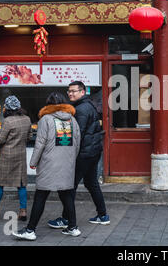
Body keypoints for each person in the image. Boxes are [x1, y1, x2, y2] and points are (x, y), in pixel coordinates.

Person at [12, 92, 81, 241]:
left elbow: (40, 143)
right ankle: (73, 227)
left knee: (41, 196)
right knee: (67, 195)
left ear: (48, 104)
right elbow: (77, 143)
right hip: (67, 163)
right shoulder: (72, 120)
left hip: (49, 163)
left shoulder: (46, 120)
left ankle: (30, 230)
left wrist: (33, 162)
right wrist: (70, 160)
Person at [48, 81, 108, 229]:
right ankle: (102, 215)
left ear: (82, 92)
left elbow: (77, 133)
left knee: (69, 186)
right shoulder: (88, 105)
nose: (70, 93)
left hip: (84, 153)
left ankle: (66, 219)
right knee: (91, 183)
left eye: (74, 91)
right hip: (93, 151)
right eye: (69, 91)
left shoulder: (80, 109)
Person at [0, 95, 32, 221]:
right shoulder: (27, 119)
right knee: (21, 184)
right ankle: (23, 211)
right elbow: (29, 137)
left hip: (7, 156)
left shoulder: (8, 121)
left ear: (8, 108)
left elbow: (0, 140)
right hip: (21, 155)